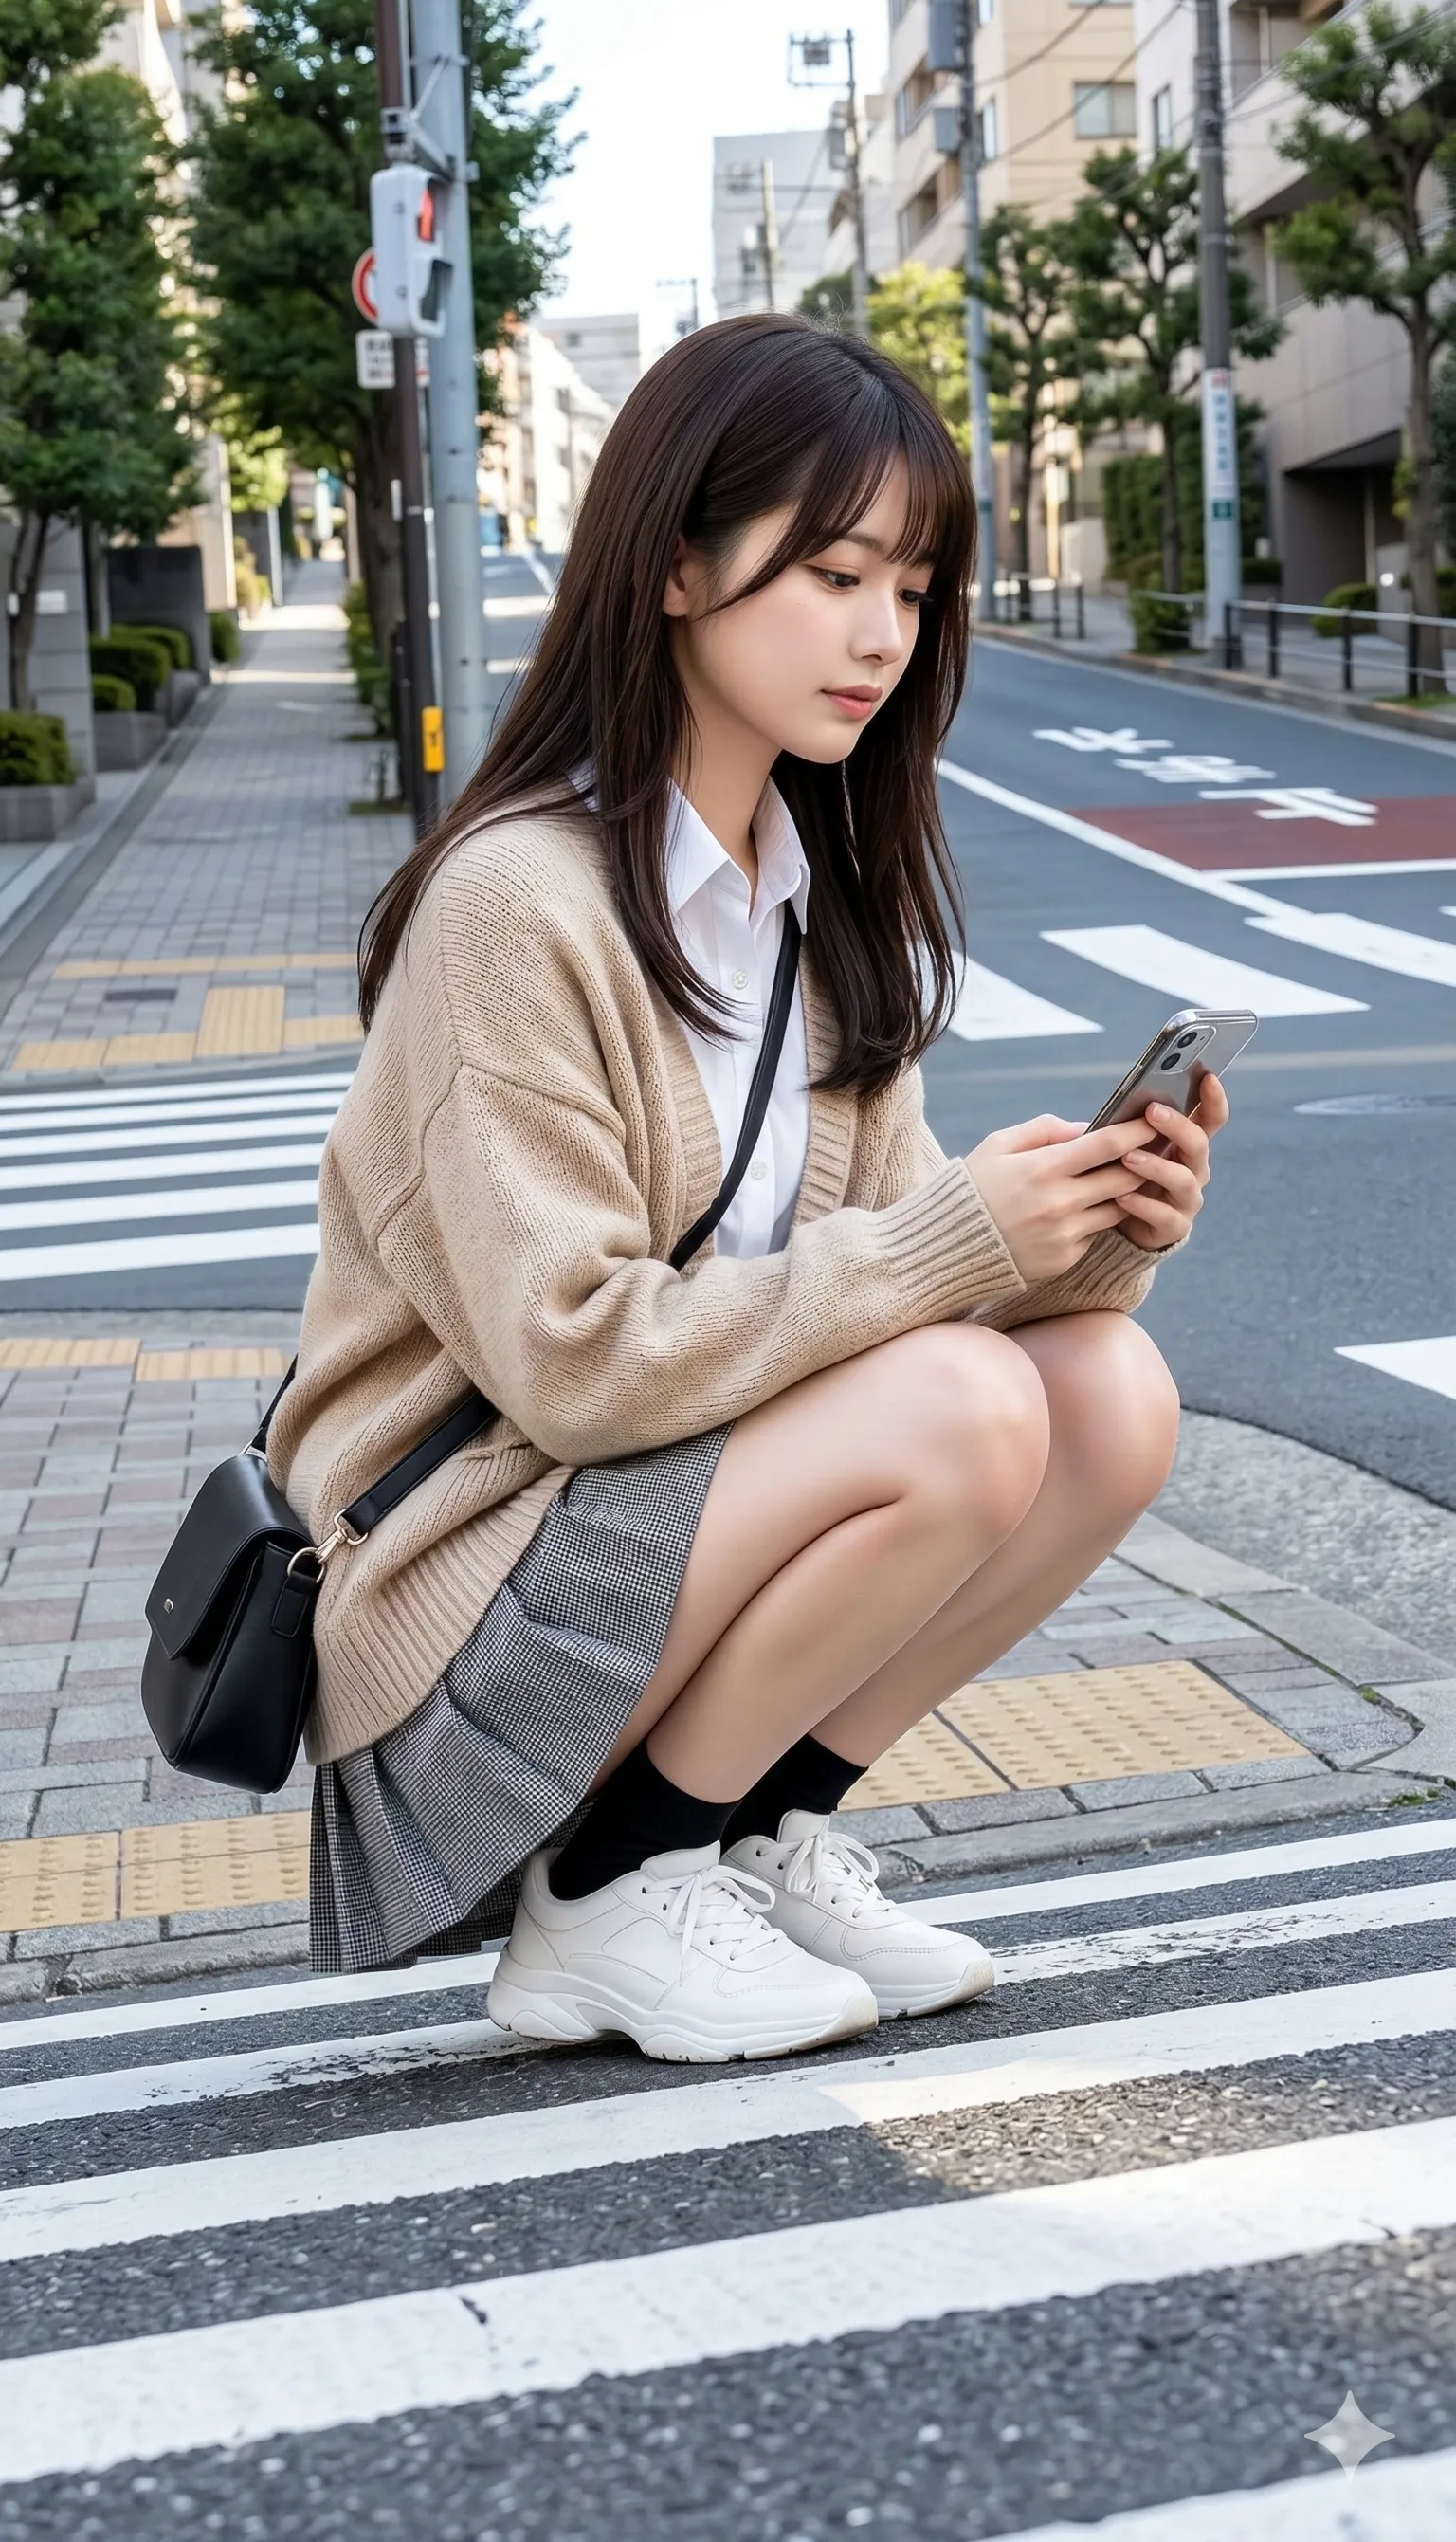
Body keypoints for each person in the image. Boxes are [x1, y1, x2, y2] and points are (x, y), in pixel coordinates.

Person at [273, 316, 1225, 2065]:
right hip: (457, 1606)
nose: (881, 632)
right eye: (832, 569)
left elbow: (908, 1272)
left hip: (634, 1544)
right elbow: (578, 1360)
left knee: (1101, 1394)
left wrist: (1098, 1233)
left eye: (915, 584)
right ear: (676, 572)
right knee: (959, 1406)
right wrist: (955, 1250)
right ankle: (611, 1896)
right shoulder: (517, 906)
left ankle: (753, 1833)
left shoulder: (807, 897)